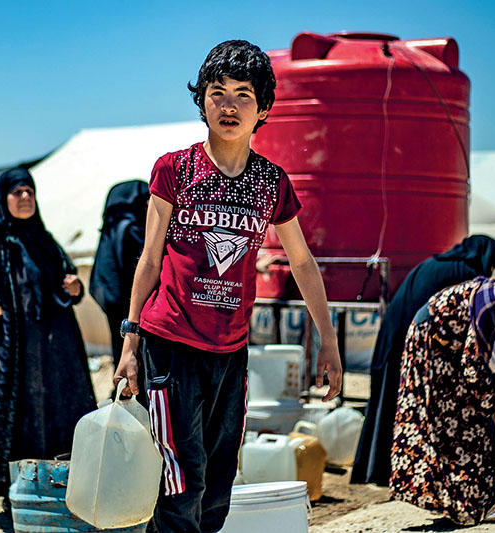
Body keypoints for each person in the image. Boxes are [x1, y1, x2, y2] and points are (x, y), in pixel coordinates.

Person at [113, 40, 342, 533]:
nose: (229, 105)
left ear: (263, 109)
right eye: (218, 92)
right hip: (170, 346)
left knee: (218, 485)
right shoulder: (174, 169)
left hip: (231, 351)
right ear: (202, 101)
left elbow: (302, 262)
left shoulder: (272, 182)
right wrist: (130, 343)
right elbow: (149, 259)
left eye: (244, 94)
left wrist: (328, 339)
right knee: (181, 479)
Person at [0, 168, 96, 504]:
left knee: (54, 409)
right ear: (3, 198)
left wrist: (74, 288)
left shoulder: (44, 239)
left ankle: (52, 486)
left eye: (30, 192)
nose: (25, 198)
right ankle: (15, 489)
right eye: (17, 192)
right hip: (8, 349)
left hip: (52, 348)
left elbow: (67, 280)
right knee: (14, 411)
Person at [390, 263, 495, 525]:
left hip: (450, 348)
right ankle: (473, 503)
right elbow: (473, 365)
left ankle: (475, 499)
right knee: (461, 422)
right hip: (434, 344)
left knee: (468, 421)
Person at [351, 235, 495, 486]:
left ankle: (376, 470)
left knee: (386, 403)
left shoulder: (435, 263)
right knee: (411, 406)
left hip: (390, 336)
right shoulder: (466, 273)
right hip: (411, 341)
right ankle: (401, 473)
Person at [89, 179, 150, 371]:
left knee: (120, 349)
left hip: (111, 300)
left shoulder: (111, 227)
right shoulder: (130, 229)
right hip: (130, 305)